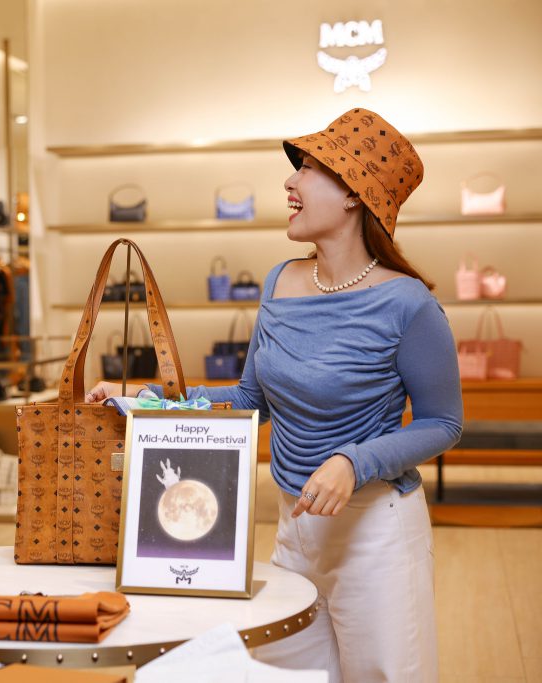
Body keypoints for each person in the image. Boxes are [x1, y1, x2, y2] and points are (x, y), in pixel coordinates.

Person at [87, 108, 462, 682]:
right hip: (294, 525)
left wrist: (353, 461)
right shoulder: (280, 281)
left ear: (354, 194)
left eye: (308, 169)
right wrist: (150, 397)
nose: (290, 181)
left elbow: (443, 423)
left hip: (376, 532)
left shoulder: (409, 304)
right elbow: (249, 401)